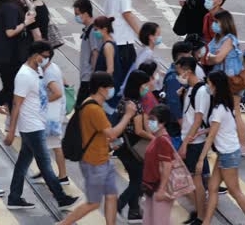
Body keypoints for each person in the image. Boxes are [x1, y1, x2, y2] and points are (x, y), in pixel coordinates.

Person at [4, 41, 79, 210]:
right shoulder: (23, 76)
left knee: (23, 163)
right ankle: (61, 198)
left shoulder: (36, 70)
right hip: (31, 126)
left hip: (37, 122)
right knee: (45, 164)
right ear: (34, 54)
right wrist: (11, 132)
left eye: (48, 57)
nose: (46, 60)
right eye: (44, 56)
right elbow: (16, 105)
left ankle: (14, 197)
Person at [58, 71, 137, 225]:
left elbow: (100, 134)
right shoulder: (94, 109)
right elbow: (112, 133)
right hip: (93, 162)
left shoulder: (92, 104)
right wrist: (128, 115)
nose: (111, 90)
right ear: (101, 89)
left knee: (111, 195)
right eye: (110, 87)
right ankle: (62, 224)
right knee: (93, 203)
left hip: (103, 158)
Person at [195, 71, 245, 225]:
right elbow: (220, 127)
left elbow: (212, 136)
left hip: (228, 154)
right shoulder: (224, 105)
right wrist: (203, 130)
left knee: (235, 191)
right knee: (213, 187)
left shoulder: (218, 109)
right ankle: (206, 221)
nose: (207, 86)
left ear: (215, 85)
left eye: (209, 83)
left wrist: (201, 160)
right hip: (226, 152)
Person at [0, 0, 35, 117]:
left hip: (6, 55)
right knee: (11, 88)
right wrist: (25, 23)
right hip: (9, 56)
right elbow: (10, 32)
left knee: (11, 88)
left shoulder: (5, 5)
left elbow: (32, 8)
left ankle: (5, 116)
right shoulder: (10, 8)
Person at [206, 10, 245, 157]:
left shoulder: (229, 39)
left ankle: (243, 146)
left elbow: (216, 59)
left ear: (225, 23)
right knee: (224, 112)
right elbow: (208, 57)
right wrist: (211, 57)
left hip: (231, 82)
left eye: (217, 22)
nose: (214, 25)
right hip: (219, 81)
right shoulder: (217, 39)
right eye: (214, 22)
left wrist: (211, 57)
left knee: (235, 112)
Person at [175, 57, 212, 224]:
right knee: (194, 180)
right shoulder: (190, 89)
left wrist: (185, 144)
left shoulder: (201, 91)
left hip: (195, 143)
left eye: (179, 72)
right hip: (190, 140)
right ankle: (199, 213)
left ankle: (201, 216)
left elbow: (197, 121)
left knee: (195, 181)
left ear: (187, 71)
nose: (178, 75)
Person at [115, 70, 155, 223]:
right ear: (137, 85)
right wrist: (153, 138)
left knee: (135, 178)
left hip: (124, 145)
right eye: (144, 85)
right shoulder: (136, 105)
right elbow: (138, 130)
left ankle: (134, 212)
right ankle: (119, 204)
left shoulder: (124, 101)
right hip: (134, 146)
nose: (146, 87)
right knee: (138, 180)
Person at [31, 50, 70, 185]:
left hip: (51, 116)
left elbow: (58, 93)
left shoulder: (49, 73)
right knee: (45, 145)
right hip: (53, 113)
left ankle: (63, 176)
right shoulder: (52, 67)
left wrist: (41, 101)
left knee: (54, 145)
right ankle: (46, 171)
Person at [104, 0, 140, 78]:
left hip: (113, 39)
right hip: (124, 41)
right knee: (129, 78)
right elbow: (127, 13)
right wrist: (141, 34)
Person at [142, 104, 176, 225]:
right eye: (149, 119)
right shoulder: (157, 137)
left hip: (159, 189)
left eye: (153, 120)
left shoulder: (162, 140)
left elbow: (167, 166)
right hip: (152, 188)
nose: (150, 122)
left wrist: (162, 190)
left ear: (163, 123)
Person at [162, 42, 193, 150]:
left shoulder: (179, 73)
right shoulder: (173, 78)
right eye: (189, 55)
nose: (191, 58)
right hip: (175, 127)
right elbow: (174, 105)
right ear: (181, 57)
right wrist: (184, 127)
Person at [119, 22, 161, 95]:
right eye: (158, 34)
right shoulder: (147, 54)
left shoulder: (146, 51)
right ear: (151, 37)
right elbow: (139, 71)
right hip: (140, 91)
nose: (160, 37)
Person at [73, 0, 101, 108]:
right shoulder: (88, 29)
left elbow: (95, 54)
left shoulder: (93, 30)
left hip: (89, 78)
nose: (76, 17)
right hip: (86, 77)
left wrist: (94, 76)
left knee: (80, 109)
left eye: (77, 14)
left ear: (85, 13)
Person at [93, 16, 123, 117]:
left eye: (96, 29)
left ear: (104, 29)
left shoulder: (108, 46)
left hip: (106, 88)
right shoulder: (111, 41)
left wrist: (102, 87)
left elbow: (110, 69)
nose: (94, 32)